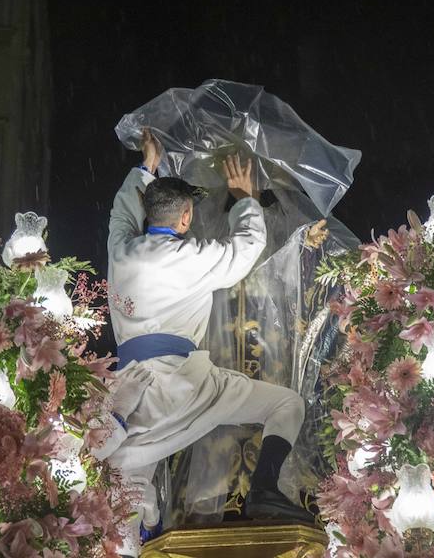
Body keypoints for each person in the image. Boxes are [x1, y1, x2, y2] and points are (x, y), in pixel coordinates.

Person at [97, 130, 311, 555]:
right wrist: (245, 198)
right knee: (287, 405)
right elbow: (248, 246)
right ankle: (264, 488)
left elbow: (120, 213)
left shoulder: (120, 250)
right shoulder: (191, 258)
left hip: (131, 394)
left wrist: (146, 168)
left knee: (129, 488)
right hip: (185, 386)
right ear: (186, 217)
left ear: (146, 211)